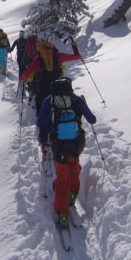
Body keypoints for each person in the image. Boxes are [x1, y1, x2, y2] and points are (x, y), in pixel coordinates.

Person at [37, 77, 96, 229]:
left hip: (59, 146)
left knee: (61, 178)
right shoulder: (76, 100)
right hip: (76, 144)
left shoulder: (49, 101)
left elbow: (40, 122)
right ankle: (72, 196)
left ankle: (62, 213)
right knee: (74, 170)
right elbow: (92, 119)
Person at [21, 40, 81, 116]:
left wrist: (23, 78)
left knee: (40, 100)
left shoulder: (38, 59)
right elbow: (77, 57)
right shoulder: (59, 56)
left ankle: (41, 120)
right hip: (58, 86)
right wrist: (74, 46)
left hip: (44, 87)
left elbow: (28, 71)